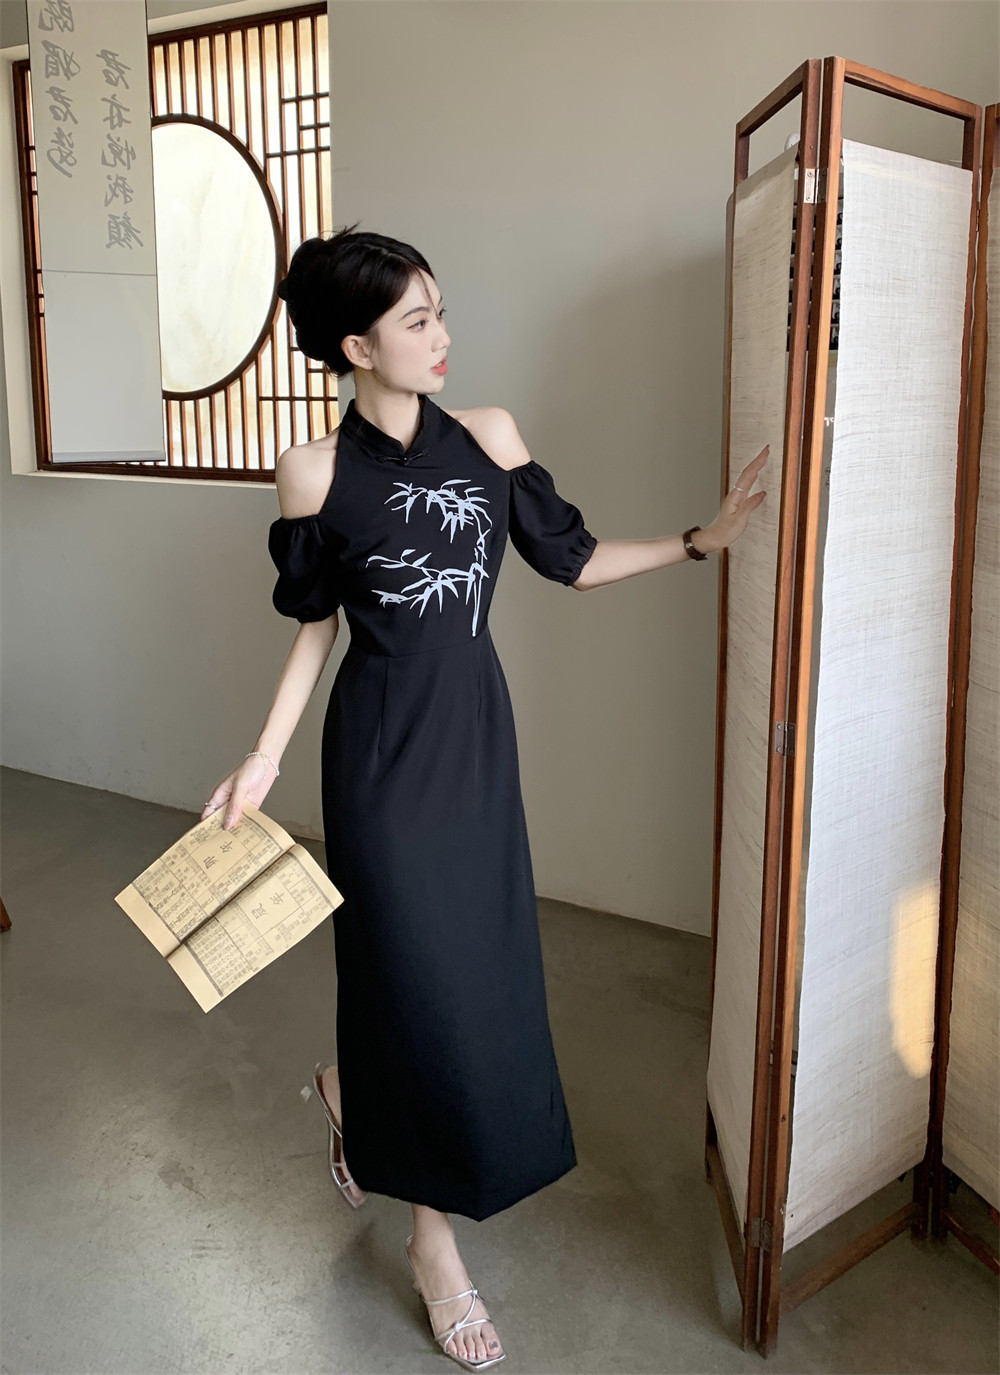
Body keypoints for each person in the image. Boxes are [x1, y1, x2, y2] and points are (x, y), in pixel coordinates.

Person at [201, 225, 767, 1370]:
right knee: (414, 975)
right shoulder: (313, 471)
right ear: (357, 346)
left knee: (468, 969)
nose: (442, 335)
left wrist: (702, 540)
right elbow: (320, 624)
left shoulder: (490, 437)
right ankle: (434, 1247)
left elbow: (574, 559)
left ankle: (351, 1087)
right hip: (378, 753)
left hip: (474, 741)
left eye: (440, 311)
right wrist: (264, 756)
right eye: (416, 320)